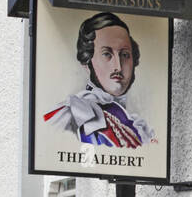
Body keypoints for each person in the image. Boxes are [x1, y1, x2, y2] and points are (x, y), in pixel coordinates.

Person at [43, 11, 155, 148]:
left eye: (125, 55)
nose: (118, 67)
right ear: (87, 62)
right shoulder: (70, 114)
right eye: (107, 54)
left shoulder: (138, 128)